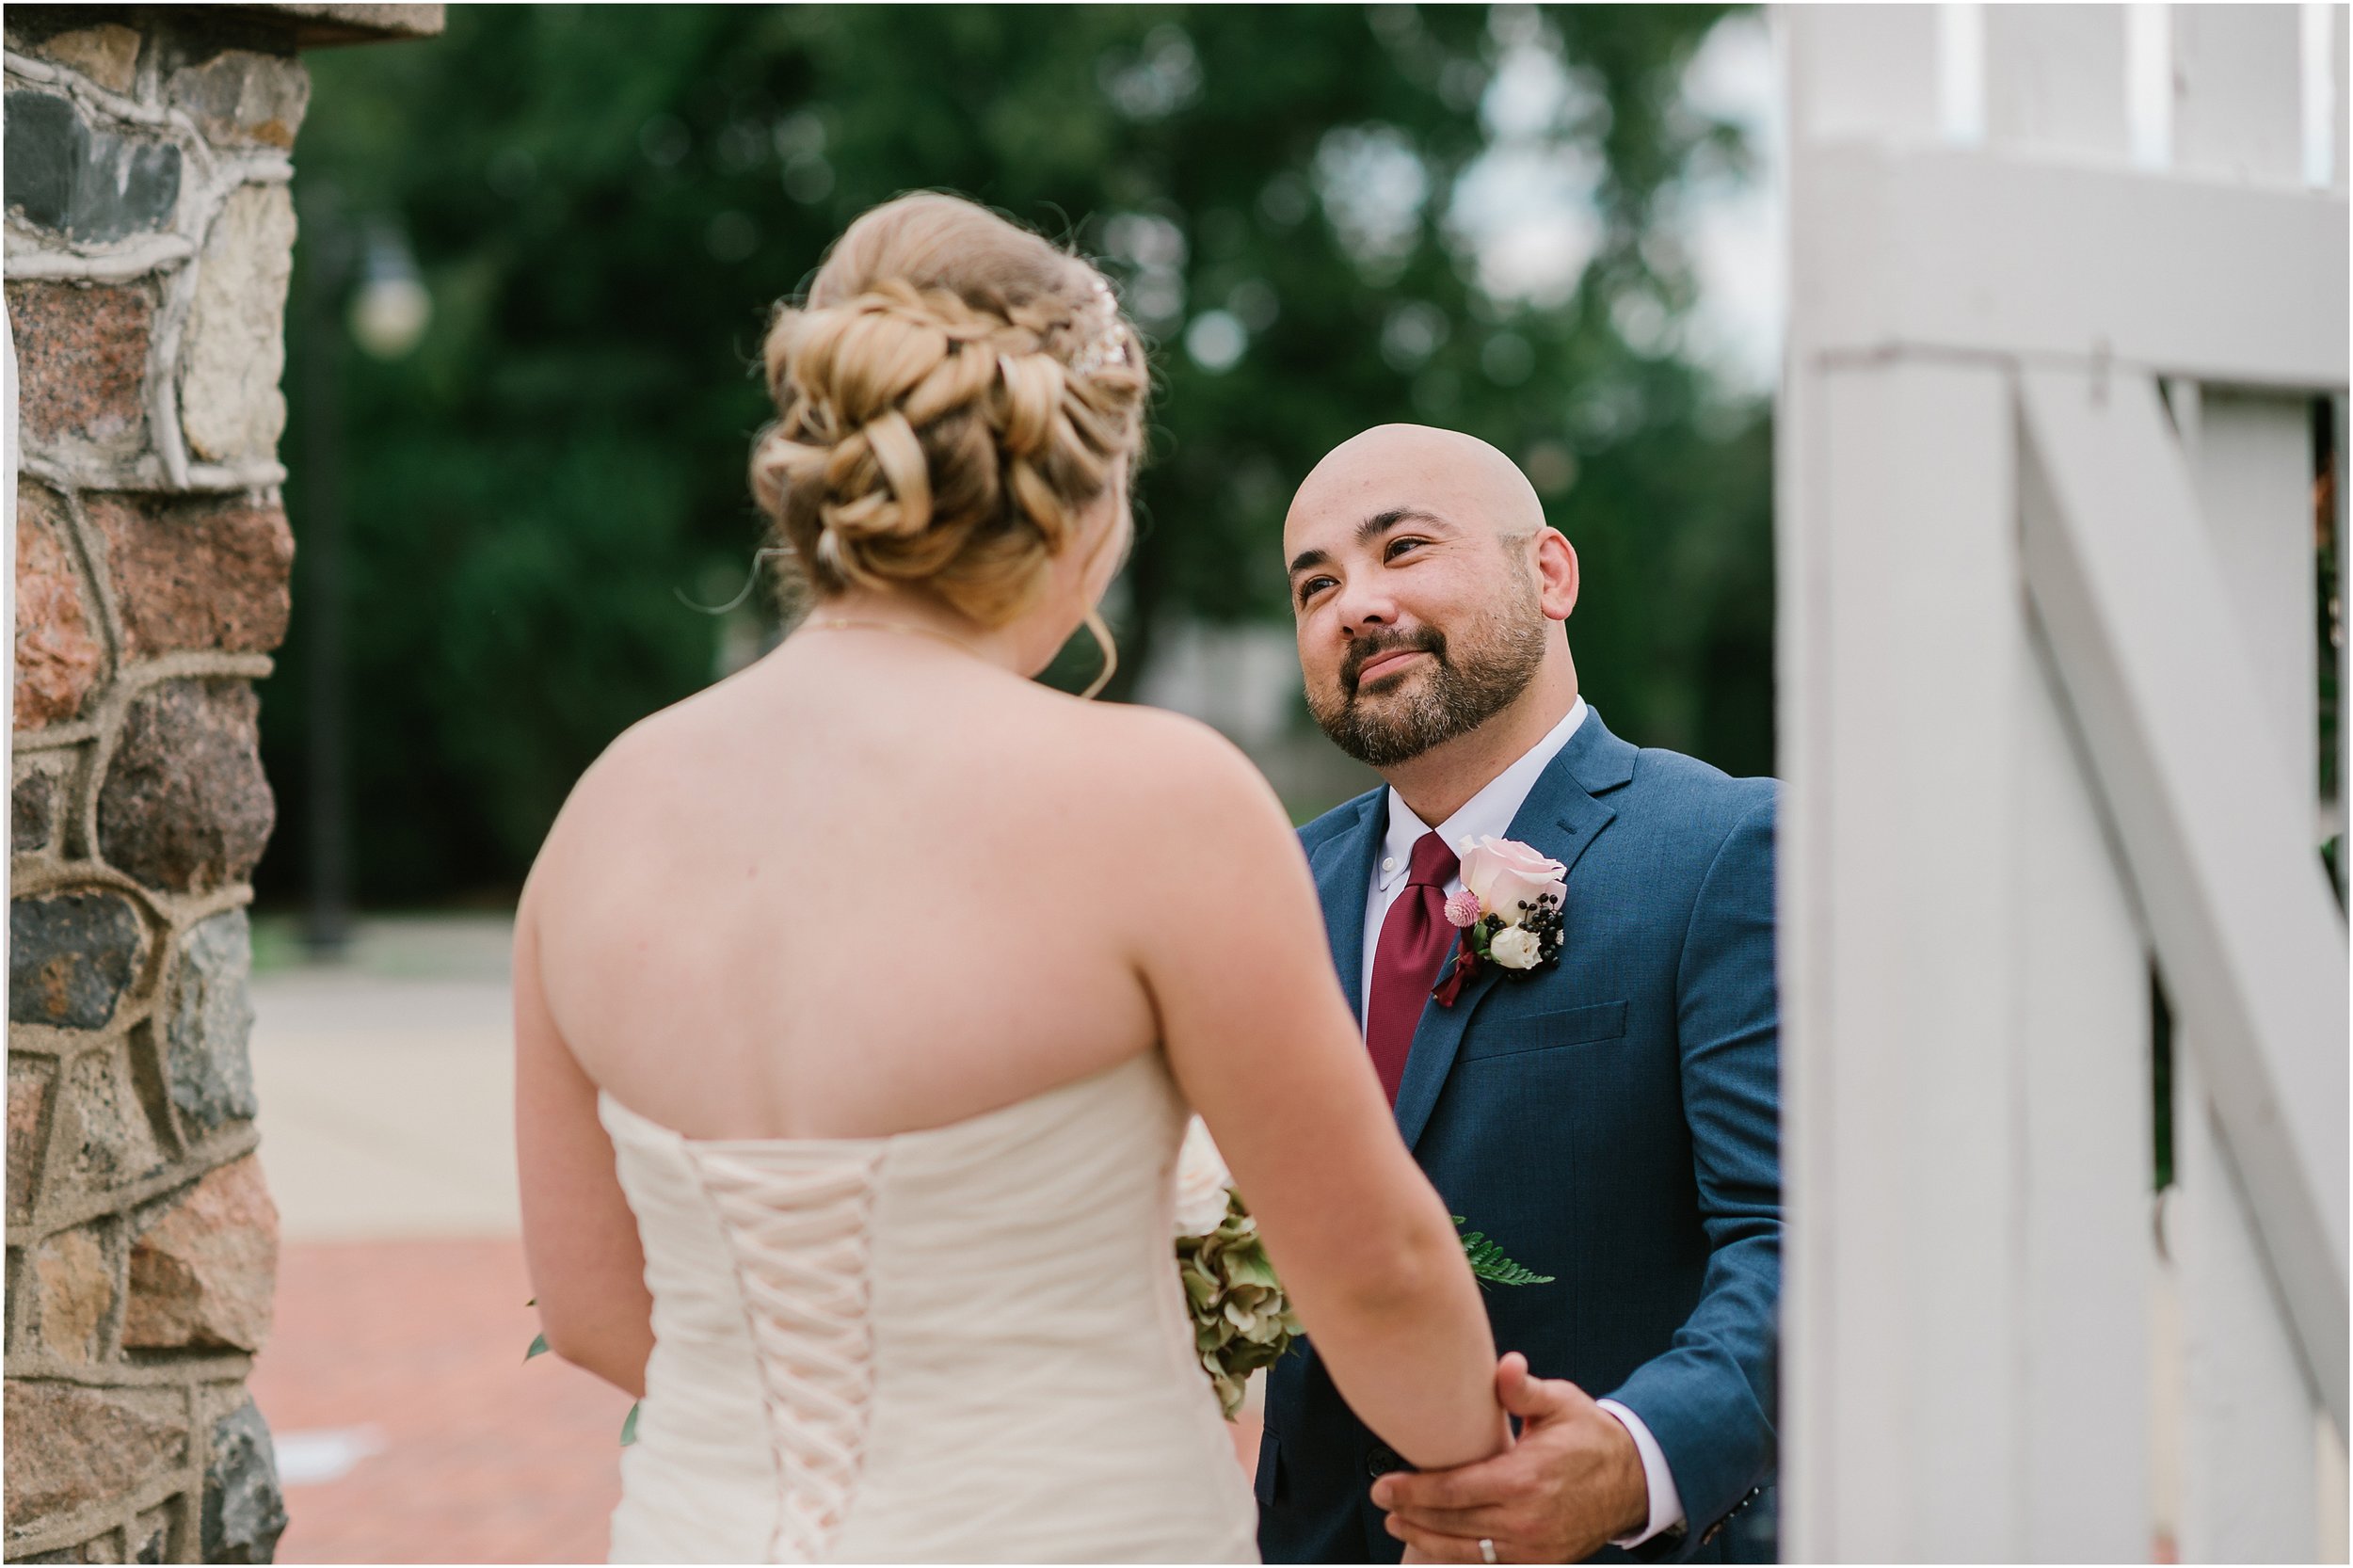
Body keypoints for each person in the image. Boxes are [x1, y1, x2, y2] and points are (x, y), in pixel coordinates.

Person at [512, 195, 1508, 1563]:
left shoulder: (602, 814)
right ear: (1084, 505)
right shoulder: (1158, 800)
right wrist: (1487, 1483)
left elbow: (588, 1304)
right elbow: (1378, 1274)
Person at [1257, 425, 1781, 1564]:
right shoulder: (1262, 892)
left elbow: (1792, 1238)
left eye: (1402, 547)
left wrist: (1637, 1455)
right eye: (1316, 585)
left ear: (1548, 573)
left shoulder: (1724, 849)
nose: (1354, 604)